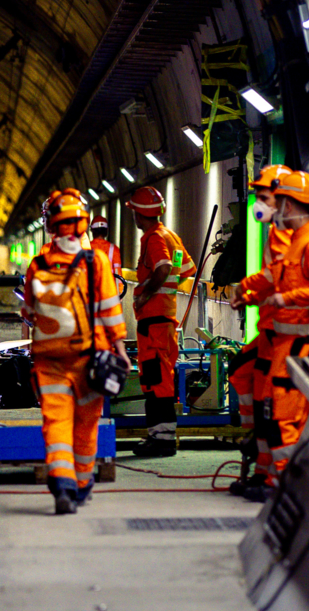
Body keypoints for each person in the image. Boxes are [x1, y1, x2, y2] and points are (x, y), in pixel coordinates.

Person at [230, 170, 309, 500]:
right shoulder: (295, 240)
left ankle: (284, 483)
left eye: (272, 199)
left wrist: (286, 299)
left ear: (289, 204)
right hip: (281, 341)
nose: (268, 205)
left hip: (297, 343)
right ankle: (270, 473)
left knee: (282, 414)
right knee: (268, 406)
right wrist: (246, 294)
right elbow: (272, 276)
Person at [22, 190, 129, 514]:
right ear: (83, 223)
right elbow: (110, 310)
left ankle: (62, 484)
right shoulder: (96, 261)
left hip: (49, 360)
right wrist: (120, 349)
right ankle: (82, 484)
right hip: (89, 357)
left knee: (56, 423)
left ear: (50, 226)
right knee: (86, 424)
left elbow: (28, 311)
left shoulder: (38, 262)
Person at [226, 164, 293, 496]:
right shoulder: (276, 232)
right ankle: (259, 454)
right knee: (241, 374)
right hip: (269, 329)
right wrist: (250, 295)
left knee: (271, 401)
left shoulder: (289, 235)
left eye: (263, 196)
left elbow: (275, 278)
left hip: (284, 334)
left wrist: (246, 288)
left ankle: (271, 473)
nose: (258, 202)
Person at [129, 185, 196, 457]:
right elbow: (187, 270)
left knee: (156, 379)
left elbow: (164, 268)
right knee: (162, 377)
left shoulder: (154, 238)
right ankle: (161, 436)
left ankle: (162, 440)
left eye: (133, 211)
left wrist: (146, 295)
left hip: (154, 319)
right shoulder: (170, 236)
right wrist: (166, 292)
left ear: (139, 214)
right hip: (165, 319)